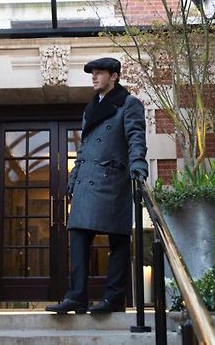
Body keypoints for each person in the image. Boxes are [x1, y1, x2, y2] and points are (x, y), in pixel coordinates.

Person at [46, 57, 148, 314]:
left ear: (114, 76)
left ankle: (114, 299)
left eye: (99, 72)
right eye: (92, 73)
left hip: (112, 180)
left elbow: (136, 138)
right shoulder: (91, 108)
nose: (93, 77)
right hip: (86, 181)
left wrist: (138, 166)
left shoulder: (128, 104)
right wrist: (73, 175)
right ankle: (77, 297)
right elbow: (84, 149)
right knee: (78, 235)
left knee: (118, 240)